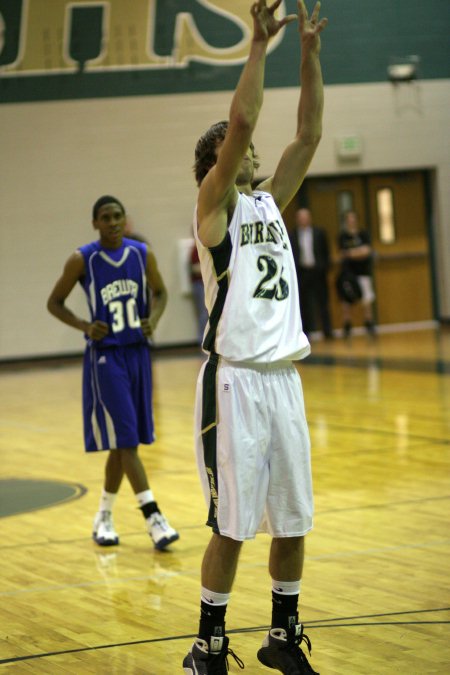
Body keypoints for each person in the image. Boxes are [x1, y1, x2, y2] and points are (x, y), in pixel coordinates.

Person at [183, 1, 327, 673]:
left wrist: (310, 53)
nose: (250, 152)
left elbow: (308, 133)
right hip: (234, 379)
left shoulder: (271, 200)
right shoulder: (216, 210)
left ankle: (282, 634)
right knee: (233, 524)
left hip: (284, 377)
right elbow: (243, 122)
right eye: (235, 152)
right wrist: (258, 46)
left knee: (293, 519)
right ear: (215, 163)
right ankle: (207, 646)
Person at [47, 195, 179, 551]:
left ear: (125, 219)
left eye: (118, 216)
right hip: (106, 358)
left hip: (138, 354)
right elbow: (53, 302)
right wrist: (84, 326)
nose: (113, 222)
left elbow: (162, 292)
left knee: (124, 444)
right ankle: (153, 517)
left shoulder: (141, 254)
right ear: (95, 223)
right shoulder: (83, 259)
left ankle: (103, 516)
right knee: (126, 441)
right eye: (105, 217)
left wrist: (153, 318)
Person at [289, 207, 333, 340]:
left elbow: (326, 252)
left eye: (305, 217)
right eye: (300, 217)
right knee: (303, 303)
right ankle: (305, 332)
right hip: (302, 272)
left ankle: (327, 331)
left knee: (323, 302)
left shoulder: (319, 233)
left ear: (310, 218)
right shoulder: (292, 235)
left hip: (318, 272)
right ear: (297, 220)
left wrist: (324, 267)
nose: (303, 220)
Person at [337, 209, 376, 338]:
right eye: (349, 219)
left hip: (363, 272)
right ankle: (347, 326)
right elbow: (343, 253)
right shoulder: (343, 236)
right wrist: (357, 252)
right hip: (348, 273)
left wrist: (352, 253)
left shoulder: (363, 234)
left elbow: (367, 251)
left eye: (353, 218)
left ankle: (369, 324)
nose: (351, 221)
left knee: (366, 299)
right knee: (347, 301)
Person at [189, 241, 209, 344]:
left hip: (203, 284)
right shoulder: (196, 248)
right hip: (200, 284)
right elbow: (195, 268)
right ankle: (203, 340)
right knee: (203, 314)